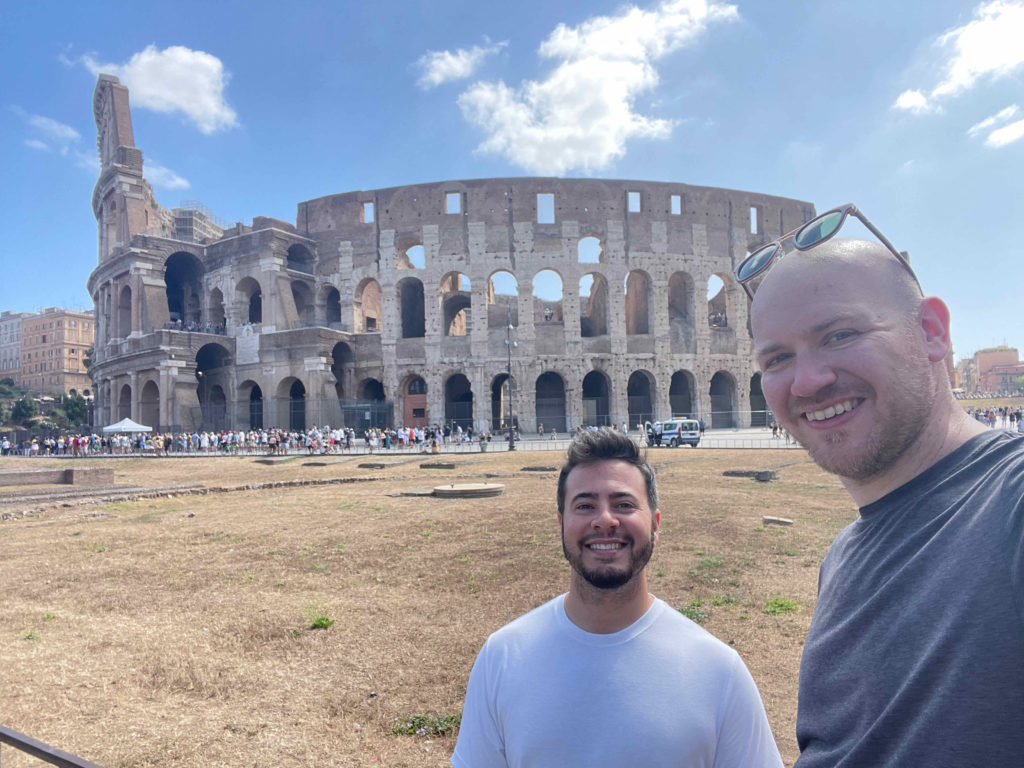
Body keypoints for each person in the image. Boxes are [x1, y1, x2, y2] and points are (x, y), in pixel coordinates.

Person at [742, 222, 1024, 768]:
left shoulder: (1010, 503)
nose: (807, 382)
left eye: (840, 335)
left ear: (932, 332)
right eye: (776, 359)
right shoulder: (844, 555)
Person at [451, 429, 782, 768]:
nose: (605, 520)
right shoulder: (501, 658)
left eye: (623, 504)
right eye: (585, 505)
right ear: (561, 523)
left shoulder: (719, 671)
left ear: (655, 524)